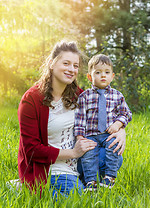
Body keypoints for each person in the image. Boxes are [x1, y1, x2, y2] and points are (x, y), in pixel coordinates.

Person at [18, 41, 126, 197]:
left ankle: (81, 182)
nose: (71, 69)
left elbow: (106, 114)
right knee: (80, 203)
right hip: (50, 168)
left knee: (114, 157)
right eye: (66, 63)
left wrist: (121, 130)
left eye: (75, 66)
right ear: (52, 63)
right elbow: (31, 150)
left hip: (79, 162)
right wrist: (73, 152)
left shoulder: (79, 95)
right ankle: (24, 187)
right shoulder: (31, 99)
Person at [74, 54, 132, 191]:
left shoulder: (117, 95)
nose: (103, 76)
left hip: (108, 134)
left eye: (106, 72)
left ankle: (109, 178)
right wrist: (80, 137)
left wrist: (118, 124)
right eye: (98, 72)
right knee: (88, 156)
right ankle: (91, 182)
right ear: (90, 77)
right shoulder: (84, 96)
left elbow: (126, 113)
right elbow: (80, 118)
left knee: (113, 149)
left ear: (112, 76)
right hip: (91, 134)